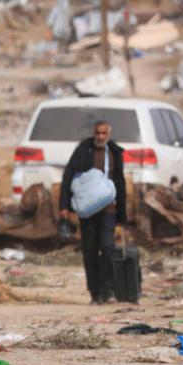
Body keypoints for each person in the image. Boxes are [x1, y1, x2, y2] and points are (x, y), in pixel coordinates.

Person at [59, 120, 126, 304]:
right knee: (90, 251)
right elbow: (68, 177)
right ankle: (95, 294)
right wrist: (64, 206)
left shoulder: (114, 152)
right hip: (88, 210)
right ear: (94, 133)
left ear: (109, 134)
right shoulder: (83, 150)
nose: (100, 136)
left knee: (107, 247)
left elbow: (120, 181)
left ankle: (109, 290)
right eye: (97, 133)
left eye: (104, 133)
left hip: (109, 209)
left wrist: (122, 214)